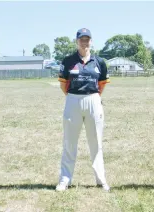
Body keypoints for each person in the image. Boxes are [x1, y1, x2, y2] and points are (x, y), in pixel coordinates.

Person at [56, 28, 110, 192]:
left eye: (87, 39)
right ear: (77, 41)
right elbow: (63, 84)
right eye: (81, 39)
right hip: (73, 99)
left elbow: (101, 84)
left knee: (96, 142)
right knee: (69, 142)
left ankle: (101, 179)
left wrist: (92, 98)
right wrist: (75, 96)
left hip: (93, 100)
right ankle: (65, 179)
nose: (84, 42)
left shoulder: (99, 62)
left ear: (91, 41)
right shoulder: (68, 61)